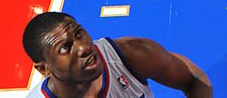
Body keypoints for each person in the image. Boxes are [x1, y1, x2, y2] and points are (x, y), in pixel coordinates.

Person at [21, 12, 212, 97]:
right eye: (65, 48)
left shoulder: (130, 54)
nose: (84, 48)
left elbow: (195, 79)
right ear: (44, 68)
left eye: (79, 34)